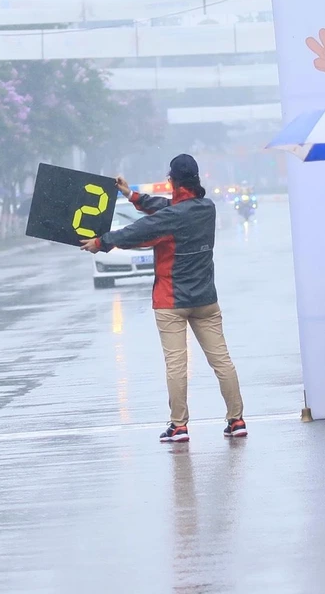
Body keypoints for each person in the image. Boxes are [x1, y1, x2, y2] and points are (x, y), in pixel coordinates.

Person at [80, 154, 247, 443]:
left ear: (172, 180)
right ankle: (237, 419)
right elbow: (169, 207)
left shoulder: (172, 217)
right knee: (222, 362)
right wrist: (131, 194)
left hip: (171, 301)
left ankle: (179, 425)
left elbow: (136, 232)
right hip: (206, 299)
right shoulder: (207, 208)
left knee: (176, 365)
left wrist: (101, 242)